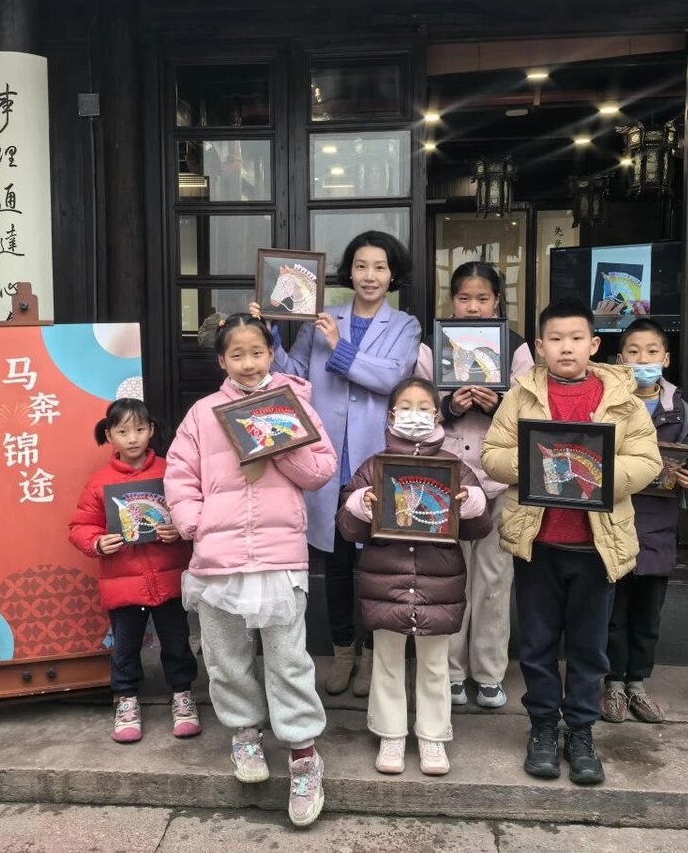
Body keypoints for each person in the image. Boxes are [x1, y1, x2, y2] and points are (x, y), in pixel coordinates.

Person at [164, 312, 338, 828]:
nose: (247, 363)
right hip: (218, 559)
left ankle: (304, 753)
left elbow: (321, 471)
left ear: (271, 354)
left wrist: (278, 451)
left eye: (256, 353)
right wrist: (196, 523)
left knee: (288, 658)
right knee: (225, 656)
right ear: (222, 361)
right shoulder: (202, 413)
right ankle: (244, 735)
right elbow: (179, 474)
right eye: (236, 355)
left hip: (279, 555)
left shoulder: (293, 405)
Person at [481, 298, 661, 786]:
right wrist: (538, 468)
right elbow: (492, 455)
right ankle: (542, 727)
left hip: (596, 545)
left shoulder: (621, 395)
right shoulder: (521, 395)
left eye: (577, 338)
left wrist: (593, 473)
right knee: (537, 645)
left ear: (594, 344)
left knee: (588, 647)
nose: (567, 347)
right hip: (539, 542)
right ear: (539, 347)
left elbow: (648, 460)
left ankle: (580, 732)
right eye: (555, 339)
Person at [252, 230, 421, 698]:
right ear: (350, 271)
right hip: (326, 462)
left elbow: (390, 379)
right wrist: (268, 333)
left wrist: (340, 345)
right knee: (337, 564)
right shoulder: (318, 320)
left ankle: (370, 654)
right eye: (362, 266)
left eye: (380, 267)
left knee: (376, 564)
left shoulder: (405, 326)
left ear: (392, 275)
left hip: (374, 461)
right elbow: (294, 378)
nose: (370, 275)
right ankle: (343, 650)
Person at [336, 377, 493, 776]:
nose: (415, 415)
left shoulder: (455, 468)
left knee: (435, 662)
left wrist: (471, 505)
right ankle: (390, 733)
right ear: (391, 416)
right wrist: (359, 505)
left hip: (438, 583)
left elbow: (479, 529)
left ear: (437, 415)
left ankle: (433, 737)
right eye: (406, 407)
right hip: (384, 582)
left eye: (424, 407)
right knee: (387, 659)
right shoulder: (374, 467)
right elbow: (347, 528)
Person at [414, 261, 534, 710]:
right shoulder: (431, 347)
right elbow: (415, 412)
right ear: (452, 301)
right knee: (447, 580)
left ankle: (488, 673)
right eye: (464, 298)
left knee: (494, 581)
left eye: (483, 298)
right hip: (445, 481)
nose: (473, 307)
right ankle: (449, 673)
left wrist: (497, 404)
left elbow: (530, 414)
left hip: (500, 481)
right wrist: (448, 405)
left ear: (498, 302)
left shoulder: (517, 349)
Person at [67, 398, 200, 744]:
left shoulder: (171, 472)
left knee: (176, 641)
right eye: (123, 431)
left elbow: (191, 512)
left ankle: (183, 696)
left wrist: (178, 530)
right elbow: (80, 526)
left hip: (169, 579)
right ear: (109, 435)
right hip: (123, 585)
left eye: (140, 429)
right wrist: (97, 543)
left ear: (152, 430)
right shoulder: (100, 483)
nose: (133, 438)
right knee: (124, 647)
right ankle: (127, 701)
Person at [601, 318, 688, 725]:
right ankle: (611, 684)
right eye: (634, 352)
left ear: (666, 358)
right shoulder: (608, 402)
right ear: (620, 359)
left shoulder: (680, 408)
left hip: (658, 524)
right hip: (612, 520)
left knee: (648, 612)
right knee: (612, 609)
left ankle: (637, 683)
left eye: (652, 352)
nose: (643, 359)